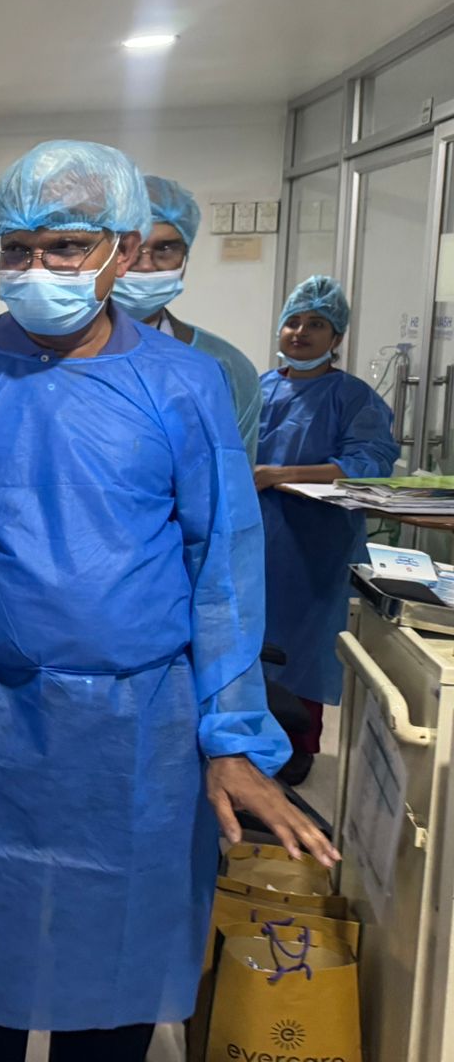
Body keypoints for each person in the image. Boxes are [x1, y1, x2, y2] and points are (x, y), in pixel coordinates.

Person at [0, 140, 336, 1062]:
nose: (39, 269)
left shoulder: (183, 386)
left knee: (110, 984)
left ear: (119, 248)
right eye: (17, 248)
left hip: (136, 729)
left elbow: (223, 569)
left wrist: (232, 740)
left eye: (66, 246)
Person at [256, 275, 397, 783]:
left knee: (304, 645)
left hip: (315, 547)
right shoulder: (258, 388)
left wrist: (279, 475)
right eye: (293, 321)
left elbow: (369, 464)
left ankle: (298, 745)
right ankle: (245, 740)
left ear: (336, 339)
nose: (301, 332)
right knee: (245, 639)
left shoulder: (351, 397)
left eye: (317, 324)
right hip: (253, 541)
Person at [111, 174, 263, 460]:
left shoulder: (225, 367)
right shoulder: (51, 356)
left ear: (185, 259)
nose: (145, 266)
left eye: (165, 249)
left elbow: (232, 487)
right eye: (128, 249)